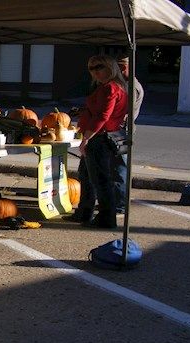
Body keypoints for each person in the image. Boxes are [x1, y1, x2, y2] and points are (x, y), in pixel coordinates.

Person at [65, 55, 128, 229]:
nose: (95, 72)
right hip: (100, 136)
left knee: (100, 180)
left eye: (99, 67)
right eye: (91, 68)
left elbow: (103, 116)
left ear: (110, 67)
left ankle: (106, 218)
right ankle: (86, 213)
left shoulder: (110, 88)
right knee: (88, 177)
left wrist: (86, 138)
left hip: (99, 138)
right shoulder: (112, 87)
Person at [113, 55, 144, 214]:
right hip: (118, 129)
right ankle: (116, 202)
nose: (119, 70)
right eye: (117, 66)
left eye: (122, 67)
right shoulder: (122, 84)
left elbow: (124, 111)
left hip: (122, 130)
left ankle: (120, 205)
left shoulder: (131, 86)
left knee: (121, 168)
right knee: (116, 167)